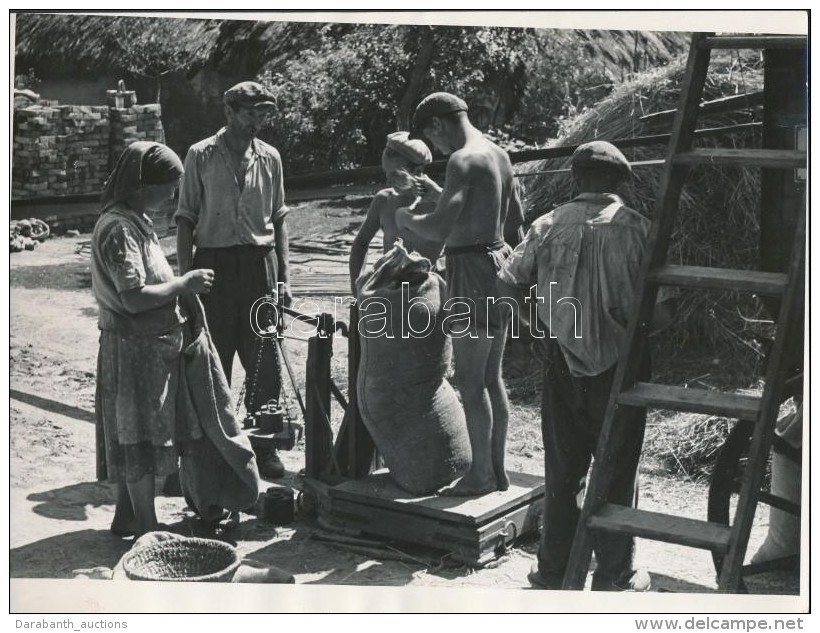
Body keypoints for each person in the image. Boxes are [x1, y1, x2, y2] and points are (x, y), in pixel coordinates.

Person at [497, 140, 674, 591]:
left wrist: (539, 327)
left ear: (576, 179)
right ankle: (615, 574)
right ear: (620, 182)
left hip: (560, 359)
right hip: (623, 364)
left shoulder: (547, 225)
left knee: (562, 468)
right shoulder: (641, 230)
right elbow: (664, 315)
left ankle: (554, 571)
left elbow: (508, 285)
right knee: (617, 469)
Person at [396, 92, 524, 496]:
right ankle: (498, 471)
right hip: (501, 264)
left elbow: (436, 229)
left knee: (470, 382)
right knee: (491, 377)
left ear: (436, 125)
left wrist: (405, 216)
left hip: (470, 270)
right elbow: (515, 219)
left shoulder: (461, 159)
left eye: (433, 139)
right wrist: (444, 193)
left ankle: (480, 475)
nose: (437, 148)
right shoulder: (498, 154)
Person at [91, 141, 214, 538]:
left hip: (147, 347)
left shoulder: (135, 220)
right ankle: (147, 528)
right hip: (132, 350)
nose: (174, 196)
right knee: (139, 435)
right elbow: (133, 297)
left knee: (137, 433)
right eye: (170, 186)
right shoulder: (118, 230)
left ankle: (127, 515)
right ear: (145, 184)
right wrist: (184, 284)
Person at [175, 81, 290, 480]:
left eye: (263, 114)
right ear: (228, 111)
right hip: (213, 266)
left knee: (264, 358)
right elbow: (186, 219)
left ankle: (265, 447)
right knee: (212, 358)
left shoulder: (270, 157)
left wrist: (284, 279)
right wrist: (186, 278)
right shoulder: (200, 155)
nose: (256, 122)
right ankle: (210, 448)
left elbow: (278, 221)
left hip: (260, 265)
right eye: (249, 113)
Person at [349, 131, 442, 294]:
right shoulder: (384, 201)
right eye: (386, 174)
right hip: (390, 287)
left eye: (395, 174)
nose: (388, 181)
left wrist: (440, 196)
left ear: (417, 170)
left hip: (427, 289)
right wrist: (356, 285)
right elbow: (361, 242)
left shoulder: (440, 202)